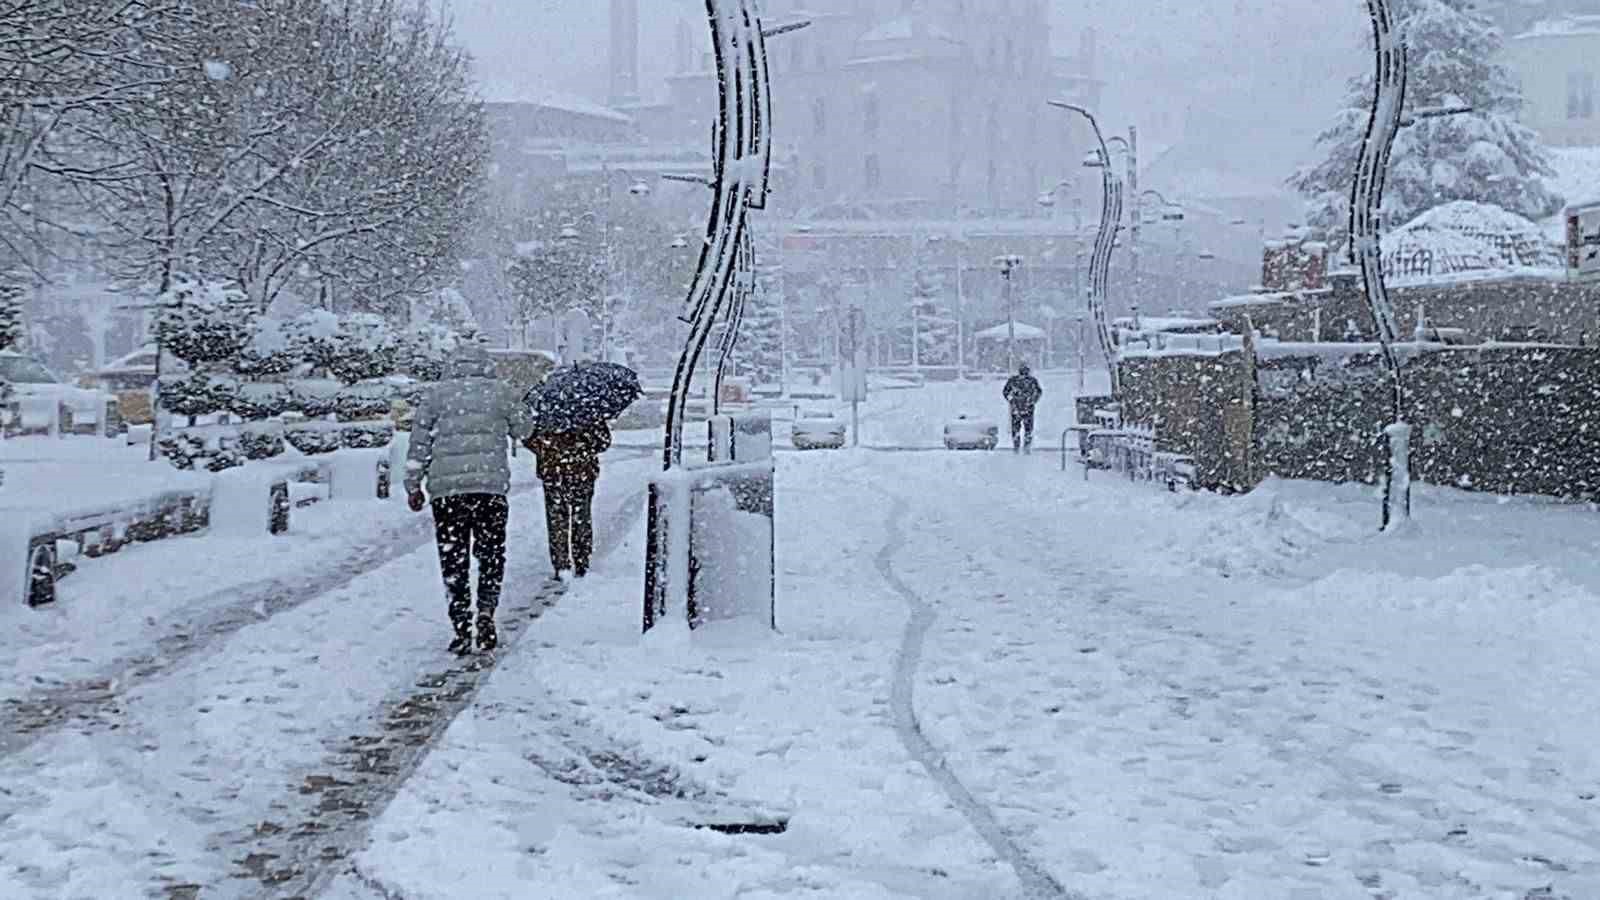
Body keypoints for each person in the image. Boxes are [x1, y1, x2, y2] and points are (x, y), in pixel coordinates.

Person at [405, 342, 534, 655]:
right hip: (489, 489)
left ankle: (461, 625)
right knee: (491, 554)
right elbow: (525, 430)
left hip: (447, 493)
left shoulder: (436, 396)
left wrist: (413, 485)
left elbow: (419, 443)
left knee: (453, 557)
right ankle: (487, 611)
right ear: (485, 365)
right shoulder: (501, 392)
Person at [525, 420, 610, 580]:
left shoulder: (545, 413)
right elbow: (604, 441)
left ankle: (561, 563)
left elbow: (529, 438)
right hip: (582, 471)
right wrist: (584, 445)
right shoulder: (588, 411)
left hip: (553, 471)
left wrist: (548, 449)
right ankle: (581, 561)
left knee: (556, 518)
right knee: (581, 517)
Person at [1002, 362, 1043, 454]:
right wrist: (1032, 400)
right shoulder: (1025, 380)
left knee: (1021, 429)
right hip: (1022, 408)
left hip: (1020, 408)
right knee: (1024, 429)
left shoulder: (1017, 380)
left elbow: (1039, 392)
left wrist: (1012, 400)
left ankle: (1022, 447)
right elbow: (1005, 392)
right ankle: (1022, 447)